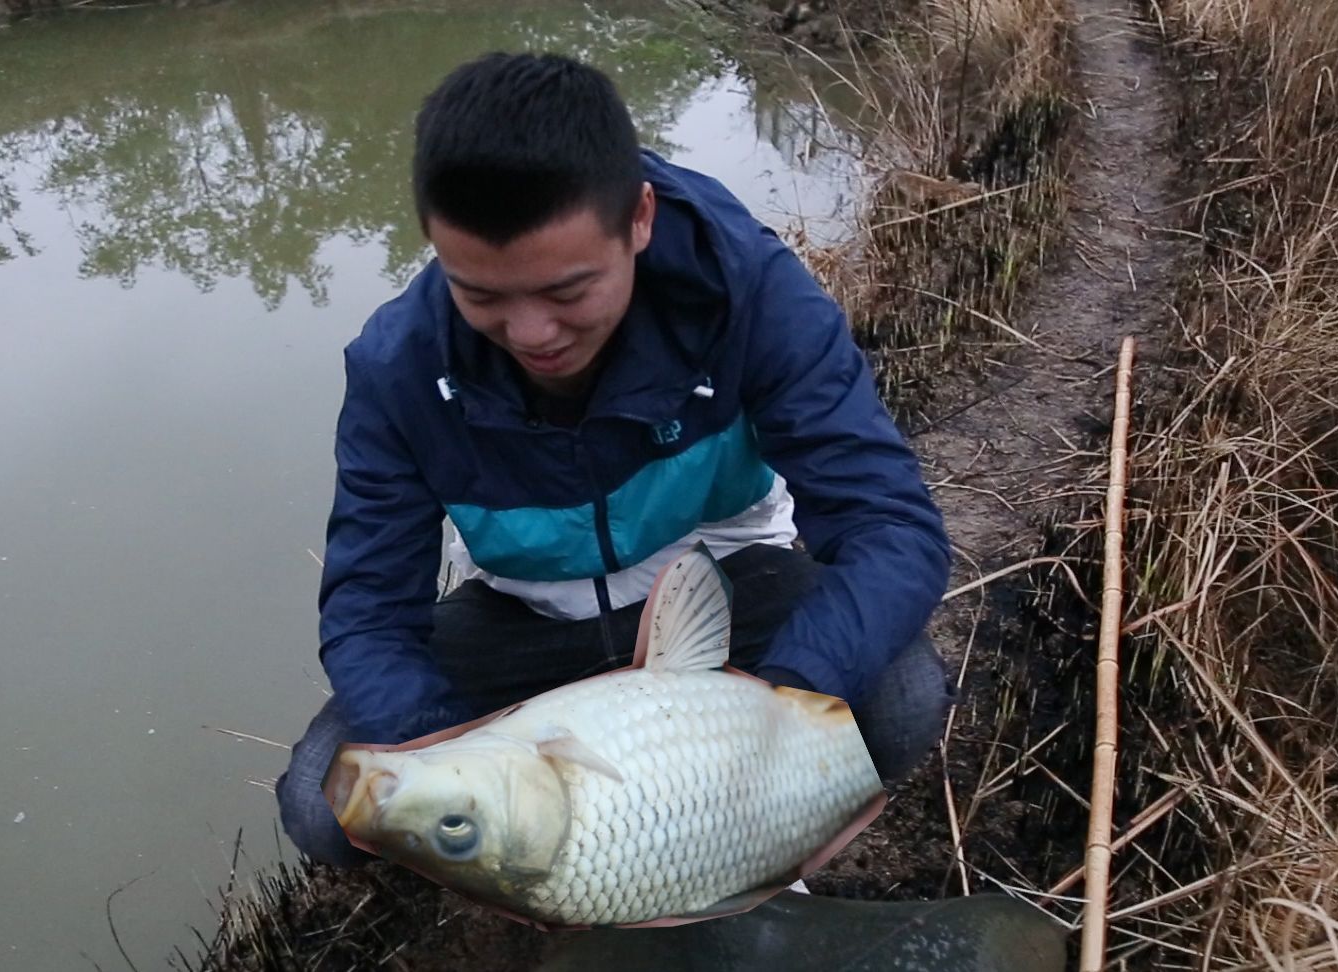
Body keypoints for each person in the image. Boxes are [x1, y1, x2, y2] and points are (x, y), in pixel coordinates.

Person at [276, 51, 953, 867]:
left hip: (726, 579)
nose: (531, 335)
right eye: (481, 295)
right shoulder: (398, 368)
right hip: (522, 615)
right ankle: (548, 882)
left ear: (638, 217)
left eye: (567, 293)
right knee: (324, 801)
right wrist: (462, 770)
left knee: (901, 696)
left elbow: (891, 530)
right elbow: (368, 616)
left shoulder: (751, 296)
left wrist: (775, 704)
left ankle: (750, 849)